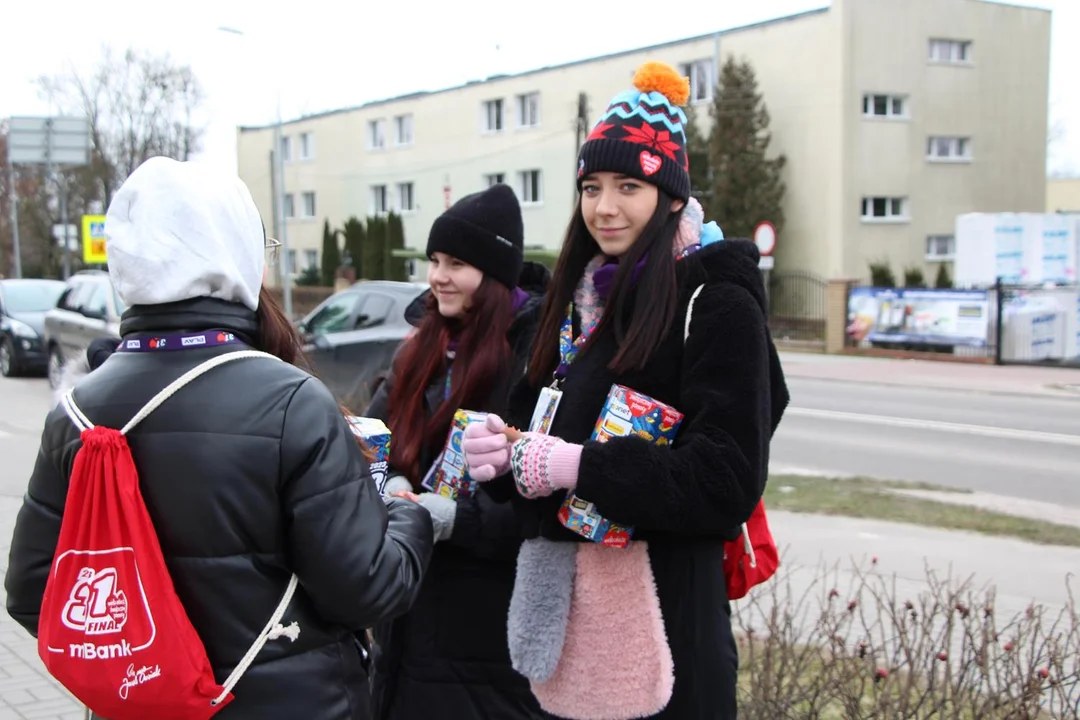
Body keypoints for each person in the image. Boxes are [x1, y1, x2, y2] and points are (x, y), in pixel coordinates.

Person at [4, 156, 434, 719]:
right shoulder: (291, 402)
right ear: (232, 251)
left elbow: (34, 591)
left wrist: (148, 666)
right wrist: (412, 519)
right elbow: (366, 591)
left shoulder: (77, 412)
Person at [462, 62, 789, 719]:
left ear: (671, 197)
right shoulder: (576, 300)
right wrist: (502, 459)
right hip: (572, 630)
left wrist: (579, 465)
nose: (604, 207)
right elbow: (539, 443)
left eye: (629, 186)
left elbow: (726, 479)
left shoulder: (713, 299)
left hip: (668, 631)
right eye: (591, 187)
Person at [364, 183, 549, 719]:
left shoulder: (531, 363)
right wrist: (391, 482)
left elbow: (538, 504)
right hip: (410, 596)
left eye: (457, 263)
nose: (438, 275)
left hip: (486, 622)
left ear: (492, 276)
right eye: (435, 260)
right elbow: (370, 442)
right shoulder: (418, 350)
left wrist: (457, 520)